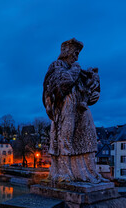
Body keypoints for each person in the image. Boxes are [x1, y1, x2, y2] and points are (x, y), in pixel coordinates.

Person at [43, 38, 106, 183]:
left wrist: (93, 95)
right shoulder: (57, 66)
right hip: (65, 110)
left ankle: (88, 172)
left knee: (88, 138)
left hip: (80, 111)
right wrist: (77, 68)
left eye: (78, 54)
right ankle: (65, 172)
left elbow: (84, 91)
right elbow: (64, 84)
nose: (76, 57)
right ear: (66, 52)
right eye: (74, 53)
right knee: (65, 139)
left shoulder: (76, 70)